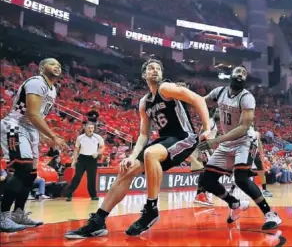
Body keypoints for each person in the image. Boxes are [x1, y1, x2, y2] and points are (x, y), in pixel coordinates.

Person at [64, 59, 210, 239]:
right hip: (165, 140)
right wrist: (132, 157)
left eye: (158, 68)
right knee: (126, 170)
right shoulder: (144, 102)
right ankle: (98, 221)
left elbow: (197, 99)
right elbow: (143, 135)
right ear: (144, 75)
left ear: (162, 74)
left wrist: (207, 127)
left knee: (150, 153)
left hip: (184, 137)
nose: (154, 70)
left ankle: (151, 209)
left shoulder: (166, 88)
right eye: (150, 68)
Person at [197, 66, 282, 230]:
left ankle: (270, 214)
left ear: (245, 80)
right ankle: (235, 204)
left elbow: (243, 127)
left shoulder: (247, 97)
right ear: (231, 75)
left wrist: (215, 141)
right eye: (238, 71)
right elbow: (200, 101)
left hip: (244, 140)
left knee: (241, 178)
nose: (240, 74)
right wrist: (181, 96)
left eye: (244, 73)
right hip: (227, 141)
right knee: (206, 180)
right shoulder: (219, 92)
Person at [0, 58, 67, 233]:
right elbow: (32, 113)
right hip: (15, 125)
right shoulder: (37, 82)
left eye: (59, 65)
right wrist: (52, 135)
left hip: (29, 129)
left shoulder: (52, 90)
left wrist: (42, 135)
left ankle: (18, 213)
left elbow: (36, 117)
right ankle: (3, 215)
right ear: (42, 67)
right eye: (52, 64)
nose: (57, 66)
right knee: (22, 170)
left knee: (30, 174)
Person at [66, 122, 105, 201]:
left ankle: (93, 195)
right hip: (82, 159)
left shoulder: (98, 137)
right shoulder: (80, 138)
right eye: (89, 128)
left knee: (92, 178)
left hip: (92, 159)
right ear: (85, 128)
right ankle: (69, 194)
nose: (90, 129)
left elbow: (102, 148)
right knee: (77, 177)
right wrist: (74, 160)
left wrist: (97, 153)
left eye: (92, 128)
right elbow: (76, 150)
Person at [192, 108, 219, 207]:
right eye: (217, 111)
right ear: (213, 113)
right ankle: (201, 195)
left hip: (204, 148)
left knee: (205, 172)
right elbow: (203, 136)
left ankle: (201, 195)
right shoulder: (210, 122)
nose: (219, 114)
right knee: (206, 172)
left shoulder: (212, 123)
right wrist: (210, 151)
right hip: (204, 148)